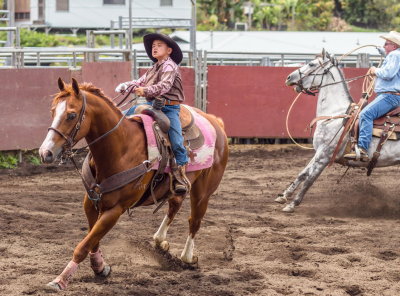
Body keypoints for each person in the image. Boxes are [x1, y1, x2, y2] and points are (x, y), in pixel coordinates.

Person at [115, 33, 189, 195]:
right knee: (119, 118)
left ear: (169, 50)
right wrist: (126, 86)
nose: (154, 48)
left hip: (169, 108)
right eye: (153, 46)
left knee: (176, 140)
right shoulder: (154, 67)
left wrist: (145, 90)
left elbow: (165, 86)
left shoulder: (170, 66)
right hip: (151, 105)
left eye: (159, 45)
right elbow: (139, 82)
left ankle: (181, 173)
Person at [344, 31, 400, 161]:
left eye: (386, 43)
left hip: (389, 96)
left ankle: (362, 149)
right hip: (390, 96)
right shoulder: (394, 54)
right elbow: (388, 59)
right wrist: (380, 50)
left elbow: (388, 73)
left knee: (365, 114)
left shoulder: (395, 55)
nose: (384, 45)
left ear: (394, 46)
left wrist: (374, 70)